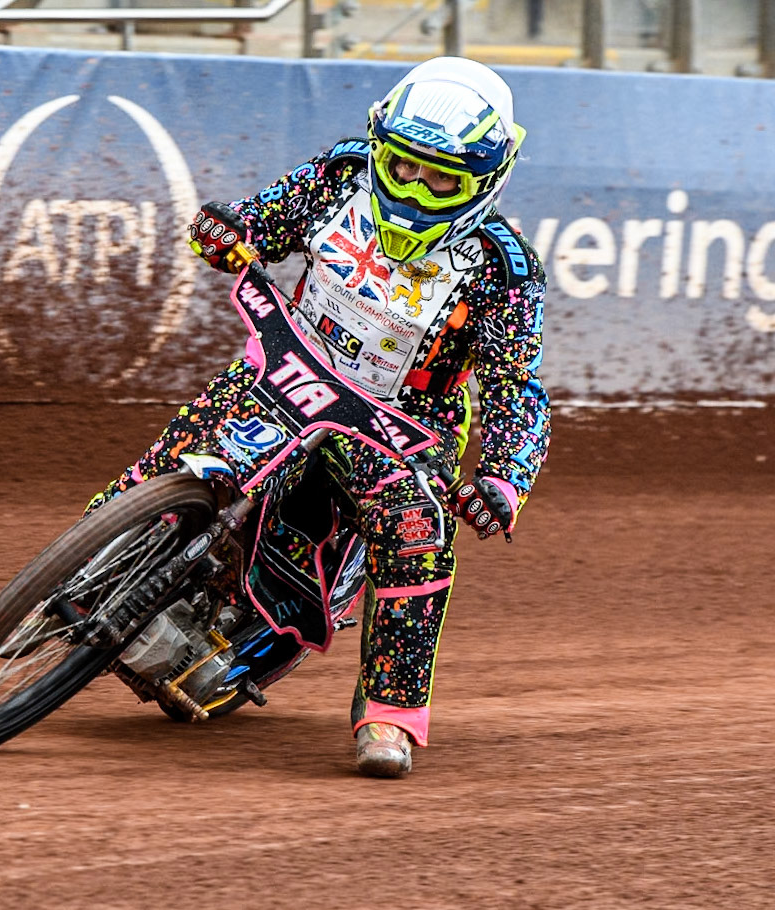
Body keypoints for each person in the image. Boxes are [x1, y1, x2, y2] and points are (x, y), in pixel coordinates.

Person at [89, 56, 550, 778]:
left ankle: (390, 717)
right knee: (182, 449)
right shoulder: (343, 172)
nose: (417, 189)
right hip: (290, 369)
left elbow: (515, 386)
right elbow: (266, 221)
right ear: (379, 144)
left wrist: (502, 477)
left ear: (487, 180)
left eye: (442, 180)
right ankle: (90, 558)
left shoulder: (504, 269)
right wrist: (228, 226)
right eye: (404, 167)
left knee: (417, 532)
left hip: (397, 427)